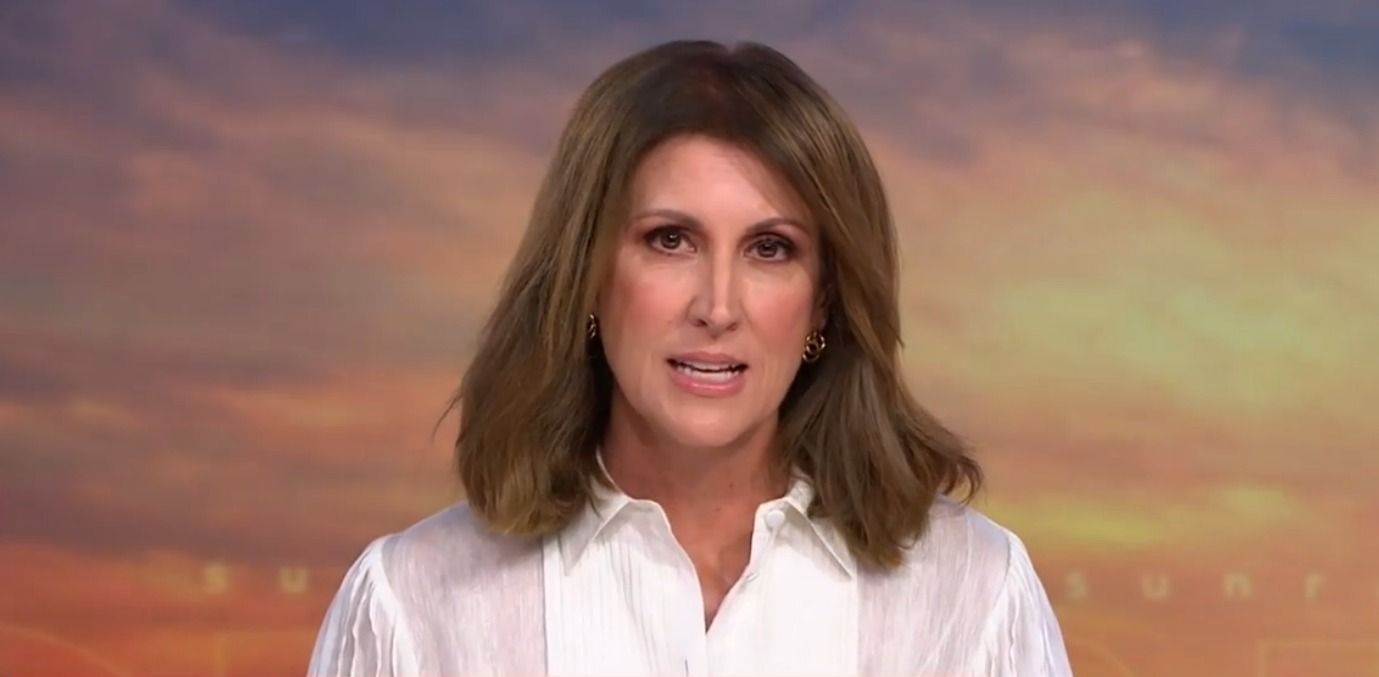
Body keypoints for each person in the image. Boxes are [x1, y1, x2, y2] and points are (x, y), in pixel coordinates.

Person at [307, 39, 1072, 677]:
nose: (717, 305)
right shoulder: (415, 605)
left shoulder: (972, 594)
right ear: (586, 276)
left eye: (769, 248)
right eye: (670, 240)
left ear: (824, 300)